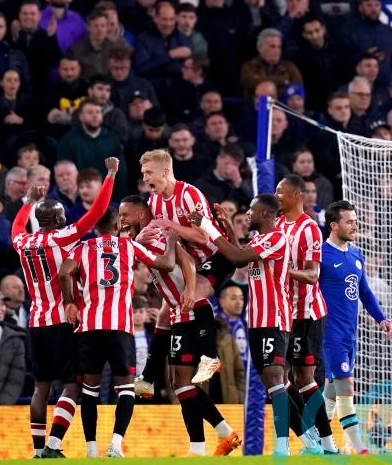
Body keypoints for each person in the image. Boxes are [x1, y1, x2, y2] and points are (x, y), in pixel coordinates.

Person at [187, 194, 323, 456]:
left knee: (275, 379)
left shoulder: (276, 237)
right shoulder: (260, 240)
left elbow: (237, 258)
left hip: (275, 319)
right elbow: (240, 255)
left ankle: (282, 445)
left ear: (266, 213)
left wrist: (207, 225)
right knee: (276, 384)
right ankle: (310, 440)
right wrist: (227, 227)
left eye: (251, 209)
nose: (247, 213)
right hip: (257, 322)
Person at [117, 196, 241, 455]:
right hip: (177, 311)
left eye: (125, 215)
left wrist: (191, 290)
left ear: (140, 216)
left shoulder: (151, 235)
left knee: (182, 384)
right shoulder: (144, 237)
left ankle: (208, 359)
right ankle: (220, 435)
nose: (121, 220)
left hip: (189, 313)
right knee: (182, 385)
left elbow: (183, 259)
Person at [11, 158, 117, 458]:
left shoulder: (22, 242)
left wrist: (27, 203)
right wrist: (109, 175)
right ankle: (54, 445)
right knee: (73, 385)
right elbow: (96, 212)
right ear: (58, 221)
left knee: (40, 388)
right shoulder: (65, 236)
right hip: (63, 320)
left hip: (36, 321)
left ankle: (37, 449)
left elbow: (19, 225)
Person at [57, 206, 176, 458]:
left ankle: (91, 449)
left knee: (89, 389)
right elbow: (166, 263)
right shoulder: (128, 247)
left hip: (89, 327)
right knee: (126, 389)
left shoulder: (82, 249)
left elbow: (64, 272)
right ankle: (115, 444)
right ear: (116, 226)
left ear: (94, 227)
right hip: (120, 328)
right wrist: (173, 241)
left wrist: (69, 302)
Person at [139, 149, 233, 381]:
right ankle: (148, 380)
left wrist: (170, 225)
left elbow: (203, 238)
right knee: (165, 314)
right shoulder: (154, 200)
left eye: (149, 173)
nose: (145, 179)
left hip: (218, 255)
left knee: (195, 292)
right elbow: (164, 237)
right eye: (143, 174)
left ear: (166, 171)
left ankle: (210, 357)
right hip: (192, 262)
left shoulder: (189, 194)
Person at [317, 200, 392, 454]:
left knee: (330, 392)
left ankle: (316, 442)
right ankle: (358, 446)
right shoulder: (321, 255)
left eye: (355, 220)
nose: (355, 225)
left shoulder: (356, 254)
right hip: (330, 334)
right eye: (349, 221)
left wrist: (381, 318)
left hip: (351, 335)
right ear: (333, 225)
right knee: (345, 387)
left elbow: (365, 292)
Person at [274, 175, 337, 453]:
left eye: (280, 191)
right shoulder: (276, 225)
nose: (276, 195)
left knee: (304, 378)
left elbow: (313, 275)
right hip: (283, 312)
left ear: (296, 195)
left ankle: (327, 443)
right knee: (279, 377)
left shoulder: (309, 228)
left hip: (307, 312)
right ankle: (310, 437)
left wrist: (284, 271)